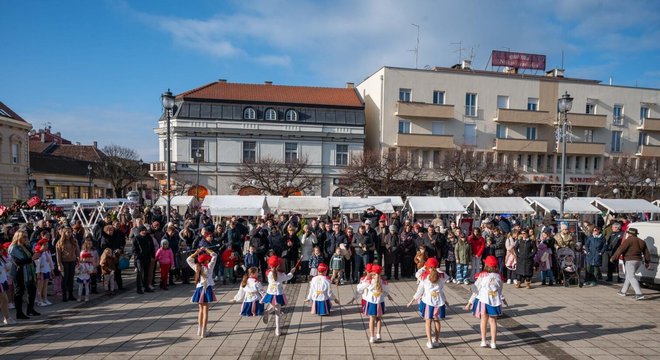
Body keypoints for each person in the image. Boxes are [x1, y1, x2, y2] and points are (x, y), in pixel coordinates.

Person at [407, 258, 447, 349]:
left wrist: (423, 268)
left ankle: (429, 342)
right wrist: (437, 269)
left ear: (427, 267)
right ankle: (436, 340)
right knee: (437, 320)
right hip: (439, 301)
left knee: (428, 321)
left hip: (428, 302)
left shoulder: (424, 277)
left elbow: (417, 277)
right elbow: (446, 276)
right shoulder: (442, 276)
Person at [466, 256, 504, 349]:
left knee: (483, 320)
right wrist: (502, 298)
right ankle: (493, 342)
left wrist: (470, 302)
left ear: (486, 265)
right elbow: (500, 290)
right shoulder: (499, 277)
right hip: (494, 301)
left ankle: (483, 340)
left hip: (483, 300)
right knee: (493, 321)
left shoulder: (482, 276)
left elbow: (475, 290)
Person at [610, 228, 651, 300]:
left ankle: (639, 294)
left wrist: (613, 258)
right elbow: (646, 253)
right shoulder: (642, 241)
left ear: (629, 233)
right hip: (638, 261)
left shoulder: (628, 240)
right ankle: (623, 291)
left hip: (630, 260)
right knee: (628, 276)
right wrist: (647, 262)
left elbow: (620, 249)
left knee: (631, 276)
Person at [187, 247, 218, 338]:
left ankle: (199, 330)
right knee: (205, 311)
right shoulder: (209, 266)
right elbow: (215, 255)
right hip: (206, 289)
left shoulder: (197, 267)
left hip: (199, 289)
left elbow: (188, 259)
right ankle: (204, 332)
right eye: (208, 260)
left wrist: (197, 252)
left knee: (200, 311)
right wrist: (207, 249)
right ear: (206, 261)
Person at [262, 255, 295, 336]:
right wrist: (292, 272)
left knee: (274, 307)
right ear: (278, 265)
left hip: (270, 293)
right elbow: (288, 277)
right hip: (278, 294)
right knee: (277, 312)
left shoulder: (269, 273)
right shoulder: (281, 275)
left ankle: (267, 312)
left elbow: (274, 273)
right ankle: (277, 330)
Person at [358, 264, 391, 344]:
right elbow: (386, 291)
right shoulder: (383, 282)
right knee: (379, 319)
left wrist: (366, 278)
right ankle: (378, 334)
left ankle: (372, 337)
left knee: (371, 319)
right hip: (380, 302)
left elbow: (359, 288)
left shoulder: (369, 281)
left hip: (371, 302)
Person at [56, 226, 80, 301]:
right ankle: (64, 296)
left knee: (71, 278)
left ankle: (70, 294)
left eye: (70, 232)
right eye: (67, 232)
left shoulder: (74, 241)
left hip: (72, 261)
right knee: (65, 279)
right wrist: (59, 264)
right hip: (64, 262)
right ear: (64, 233)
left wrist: (78, 258)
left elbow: (78, 251)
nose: (69, 234)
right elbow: (58, 254)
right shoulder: (60, 242)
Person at [133, 225, 155, 294]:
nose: (144, 232)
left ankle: (146, 287)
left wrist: (152, 256)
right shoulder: (136, 238)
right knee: (139, 273)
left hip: (147, 257)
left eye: (145, 230)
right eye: (142, 230)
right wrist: (138, 256)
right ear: (139, 231)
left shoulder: (149, 238)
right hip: (139, 258)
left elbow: (152, 247)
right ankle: (139, 288)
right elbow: (134, 250)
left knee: (146, 273)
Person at [34, 238, 54, 306]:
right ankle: (39, 300)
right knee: (40, 287)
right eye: (44, 245)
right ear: (40, 245)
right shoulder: (38, 253)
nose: (46, 246)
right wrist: (38, 273)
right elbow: (37, 264)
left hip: (46, 270)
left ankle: (45, 299)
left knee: (45, 286)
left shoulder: (47, 252)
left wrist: (51, 270)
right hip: (41, 272)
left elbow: (50, 261)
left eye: (47, 244)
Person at [0, 242, 16, 325]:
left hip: (3, 281)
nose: (2, 251)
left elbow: (5, 268)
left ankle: (7, 318)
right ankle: (7, 317)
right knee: (5, 299)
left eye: (2, 249)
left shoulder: (2, 258)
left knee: (4, 300)